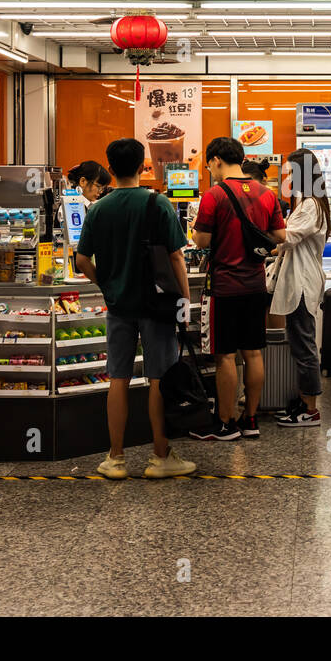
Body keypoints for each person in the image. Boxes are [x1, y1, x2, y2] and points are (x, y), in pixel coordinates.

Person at [73, 139, 196, 480]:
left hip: (119, 306)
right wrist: (184, 302)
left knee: (118, 377)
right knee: (159, 378)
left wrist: (107, 285)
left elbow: (82, 260)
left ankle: (115, 458)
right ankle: (160, 456)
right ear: (144, 166)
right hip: (156, 305)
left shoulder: (98, 208)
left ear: (109, 170)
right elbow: (176, 257)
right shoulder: (158, 203)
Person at [191, 136, 286, 441]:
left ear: (216, 160)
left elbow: (201, 241)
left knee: (225, 357)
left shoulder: (214, 195)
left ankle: (226, 423)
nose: (211, 171)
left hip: (225, 286)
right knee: (254, 354)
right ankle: (251, 419)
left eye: (210, 165)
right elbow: (279, 235)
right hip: (256, 285)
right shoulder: (266, 193)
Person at [272, 148, 331, 427]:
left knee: (305, 345)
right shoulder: (308, 202)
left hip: (303, 283)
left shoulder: (311, 206)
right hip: (301, 280)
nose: (286, 177)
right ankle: (303, 401)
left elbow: (287, 238)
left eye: (290, 172)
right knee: (298, 342)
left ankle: (311, 409)